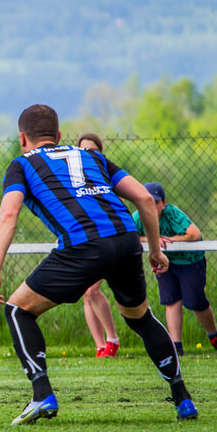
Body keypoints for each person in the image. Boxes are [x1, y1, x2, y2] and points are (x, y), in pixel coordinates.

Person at [0, 104, 196, 425]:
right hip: (125, 239)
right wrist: (155, 250)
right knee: (140, 317)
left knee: (18, 310)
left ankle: (42, 394)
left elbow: (8, 214)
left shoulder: (21, 165)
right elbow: (143, 198)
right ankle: (183, 399)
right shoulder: (92, 156)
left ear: (22, 138)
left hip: (82, 244)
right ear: (57, 136)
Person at [131, 182, 217, 355]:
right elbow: (130, 236)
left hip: (189, 261)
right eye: (147, 201)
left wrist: (170, 240)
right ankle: (176, 346)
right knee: (171, 301)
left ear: (164, 203)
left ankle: (214, 336)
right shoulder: (137, 217)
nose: (151, 206)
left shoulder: (172, 214)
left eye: (156, 202)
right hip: (166, 261)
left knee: (195, 302)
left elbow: (194, 234)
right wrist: (152, 239)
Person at [76, 132, 120, 358]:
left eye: (92, 151)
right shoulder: (74, 180)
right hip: (83, 239)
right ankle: (100, 346)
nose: (87, 156)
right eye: (83, 151)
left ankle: (112, 339)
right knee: (86, 292)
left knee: (93, 289)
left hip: (107, 238)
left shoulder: (107, 177)